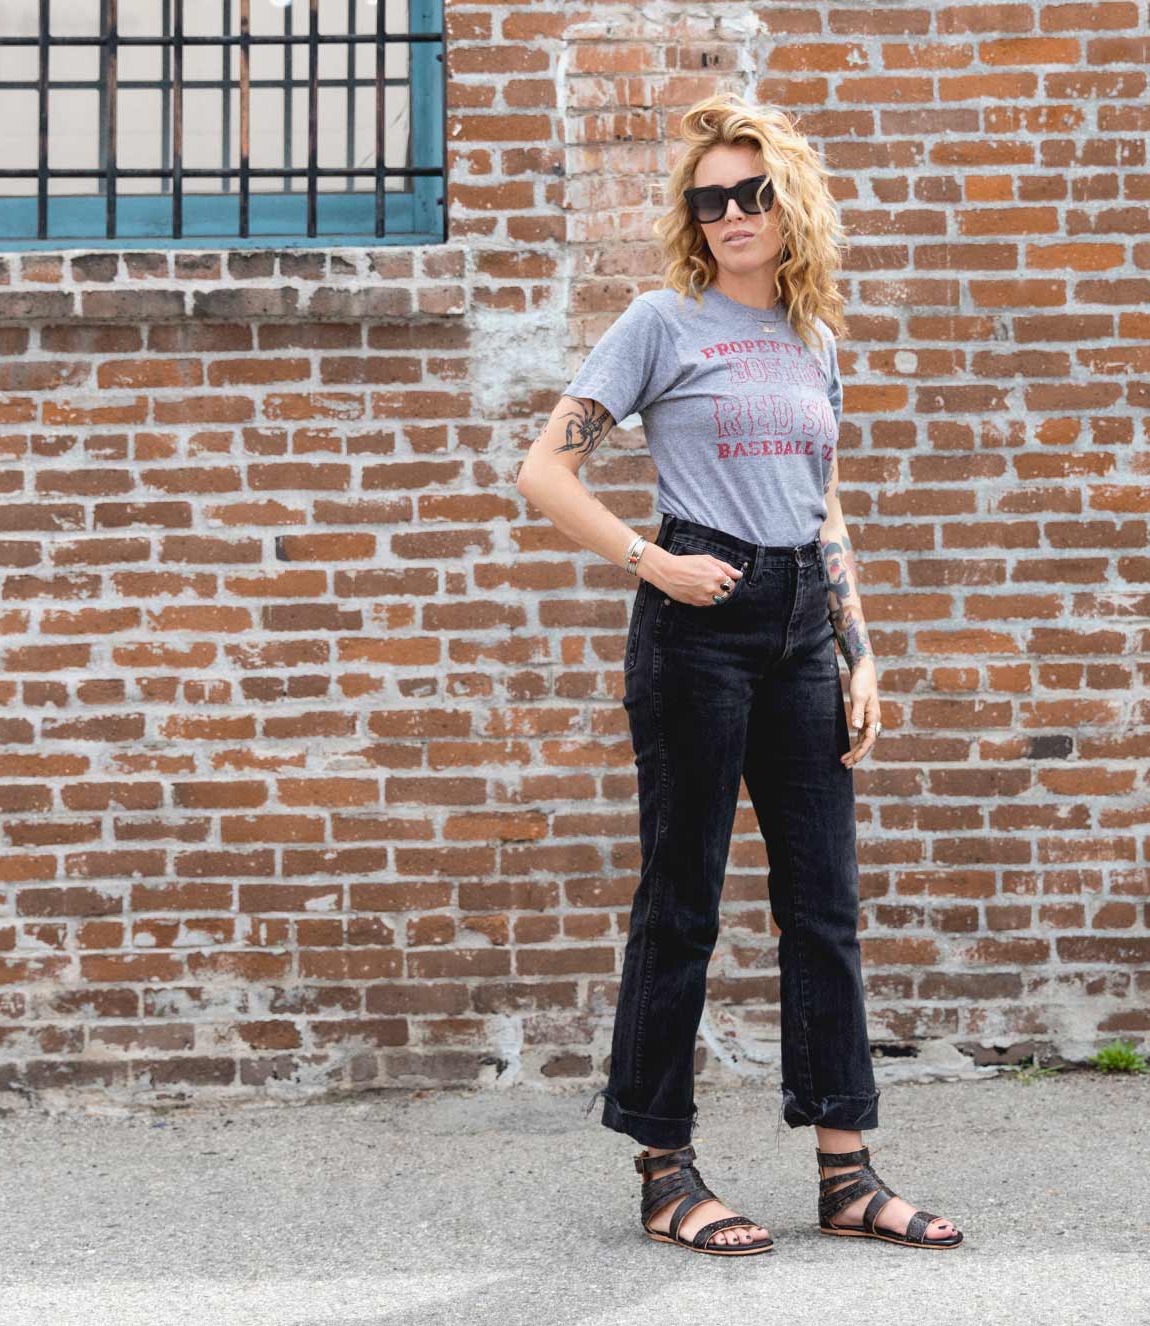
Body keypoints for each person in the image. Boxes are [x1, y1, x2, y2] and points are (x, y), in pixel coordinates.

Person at [515, 94, 963, 1256]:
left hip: (800, 630)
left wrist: (859, 650)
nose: (727, 216)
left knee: (825, 908)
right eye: (706, 200)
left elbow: (820, 503)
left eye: (748, 194)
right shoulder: (660, 323)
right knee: (684, 904)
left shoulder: (812, 341)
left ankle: (846, 1171)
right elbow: (542, 471)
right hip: (697, 633)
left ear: (791, 201)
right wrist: (651, 559)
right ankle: (665, 1172)